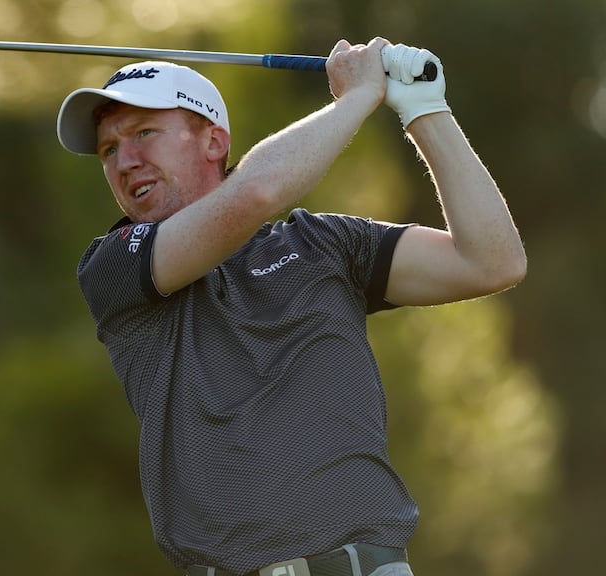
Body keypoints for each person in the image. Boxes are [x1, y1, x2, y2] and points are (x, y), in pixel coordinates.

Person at [55, 37, 526, 576]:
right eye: (109, 149)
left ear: (213, 142)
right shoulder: (115, 268)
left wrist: (423, 108)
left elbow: (494, 262)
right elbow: (256, 194)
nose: (125, 161)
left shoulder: (322, 244)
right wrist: (356, 99)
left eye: (143, 134)